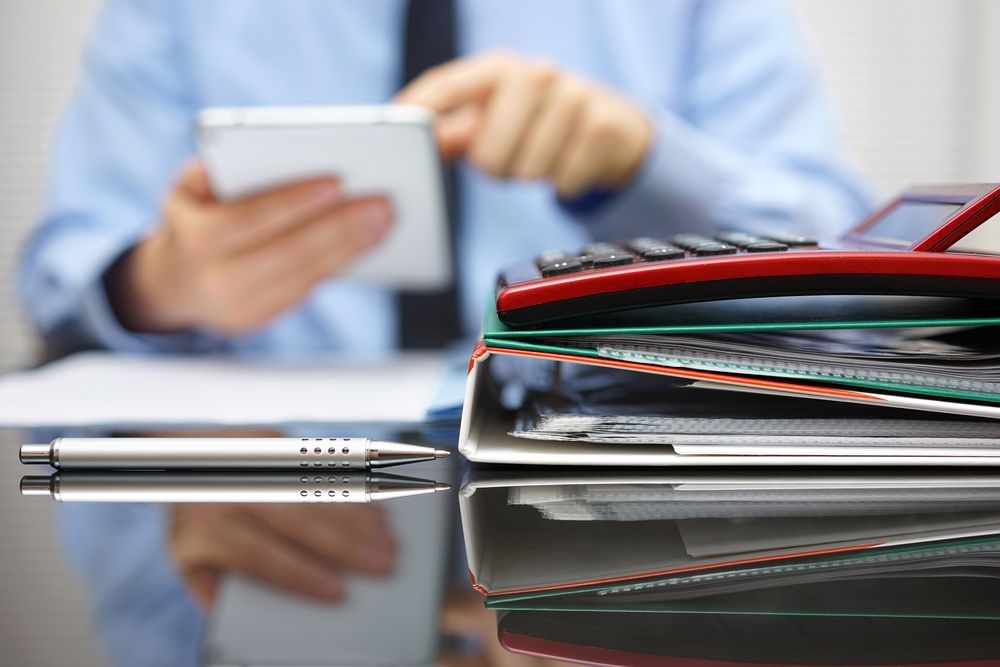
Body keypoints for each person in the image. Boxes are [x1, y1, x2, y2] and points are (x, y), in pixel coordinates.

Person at [18, 1, 873, 665]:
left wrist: (644, 165)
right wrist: (163, 280)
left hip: (622, 482)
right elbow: (67, 261)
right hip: (264, 491)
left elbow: (852, 267)